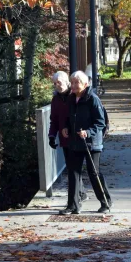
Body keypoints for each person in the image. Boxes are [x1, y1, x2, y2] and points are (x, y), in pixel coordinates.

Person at [61, 71, 113, 214]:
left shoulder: (93, 99)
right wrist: (66, 127)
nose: (74, 85)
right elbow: (68, 117)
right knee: (73, 172)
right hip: (75, 141)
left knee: (93, 172)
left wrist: (88, 132)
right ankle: (72, 205)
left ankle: (105, 202)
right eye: (72, 82)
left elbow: (101, 122)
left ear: (85, 84)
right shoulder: (71, 99)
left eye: (77, 82)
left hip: (92, 143)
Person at [48, 71, 88, 210]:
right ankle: (79, 195)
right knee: (72, 169)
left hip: (78, 138)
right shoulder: (56, 100)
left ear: (66, 82)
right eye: (54, 83)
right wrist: (52, 136)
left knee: (74, 169)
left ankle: (76, 200)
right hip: (65, 139)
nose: (56, 85)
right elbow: (53, 120)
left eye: (58, 82)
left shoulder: (74, 96)